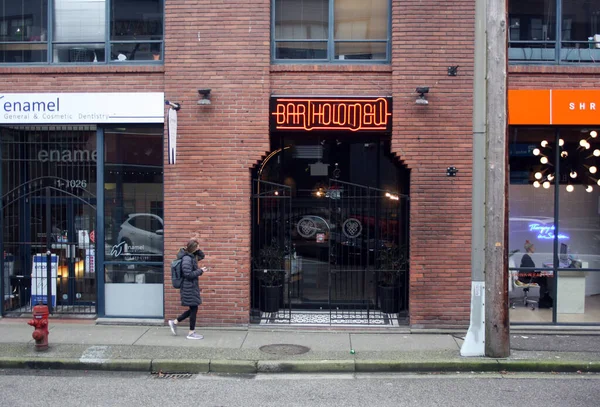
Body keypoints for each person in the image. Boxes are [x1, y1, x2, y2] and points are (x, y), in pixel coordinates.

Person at [168, 239, 208, 339]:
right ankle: (191, 333)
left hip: (191, 286)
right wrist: (200, 271)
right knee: (194, 308)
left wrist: (197, 250)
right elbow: (188, 274)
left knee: (193, 309)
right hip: (188, 287)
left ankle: (175, 322)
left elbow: (202, 256)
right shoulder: (187, 259)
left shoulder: (192, 256)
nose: (199, 248)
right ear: (193, 248)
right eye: (197, 247)